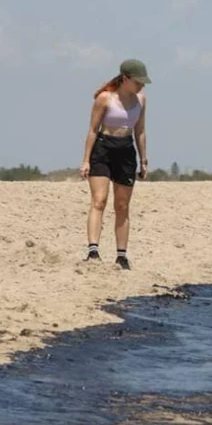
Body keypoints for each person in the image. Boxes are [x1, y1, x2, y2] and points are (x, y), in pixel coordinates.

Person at [79, 58, 150, 269]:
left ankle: (121, 255)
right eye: (138, 81)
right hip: (103, 148)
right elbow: (92, 130)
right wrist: (85, 161)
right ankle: (93, 250)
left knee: (122, 205)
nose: (141, 85)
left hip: (126, 150)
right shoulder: (105, 99)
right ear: (125, 79)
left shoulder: (141, 100)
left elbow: (141, 131)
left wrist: (143, 160)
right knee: (99, 200)